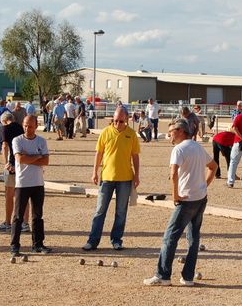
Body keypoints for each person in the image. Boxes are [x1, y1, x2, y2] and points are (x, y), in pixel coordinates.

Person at [143, 119, 217, 286]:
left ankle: (163, 276)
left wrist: (175, 195)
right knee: (193, 238)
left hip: (186, 200)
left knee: (170, 236)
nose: (169, 134)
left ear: (181, 131)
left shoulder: (178, 149)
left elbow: (173, 173)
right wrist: (204, 186)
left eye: (172, 131)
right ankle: (188, 277)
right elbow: (213, 166)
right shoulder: (197, 147)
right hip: (200, 198)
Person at [82, 107, 140, 251]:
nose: (118, 124)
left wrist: (137, 175)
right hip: (107, 177)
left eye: (121, 121)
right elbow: (99, 153)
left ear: (126, 119)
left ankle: (116, 240)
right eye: (115, 121)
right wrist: (94, 172)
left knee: (121, 212)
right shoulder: (105, 132)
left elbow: (135, 156)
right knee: (100, 210)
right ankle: (93, 241)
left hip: (125, 178)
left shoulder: (131, 134)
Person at [10, 115, 51, 255]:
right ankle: (14, 246)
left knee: (37, 216)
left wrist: (30, 158)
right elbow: (20, 159)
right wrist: (38, 156)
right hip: (22, 183)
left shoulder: (41, 141)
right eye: (26, 125)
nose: (27, 128)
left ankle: (38, 244)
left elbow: (46, 161)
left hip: (38, 183)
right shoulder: (17, 140)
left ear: (36, 126)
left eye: (31, 126)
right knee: (18, 216)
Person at [0, 112, 30, 233]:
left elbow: (4, 146)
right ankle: (25, 223)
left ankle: (8, 222)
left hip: (13, 164)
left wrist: (5, 163)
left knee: (9, 195)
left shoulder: (5, 129)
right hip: (24, 163)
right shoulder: (22, 127)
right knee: (24, 194)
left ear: (4, 121)